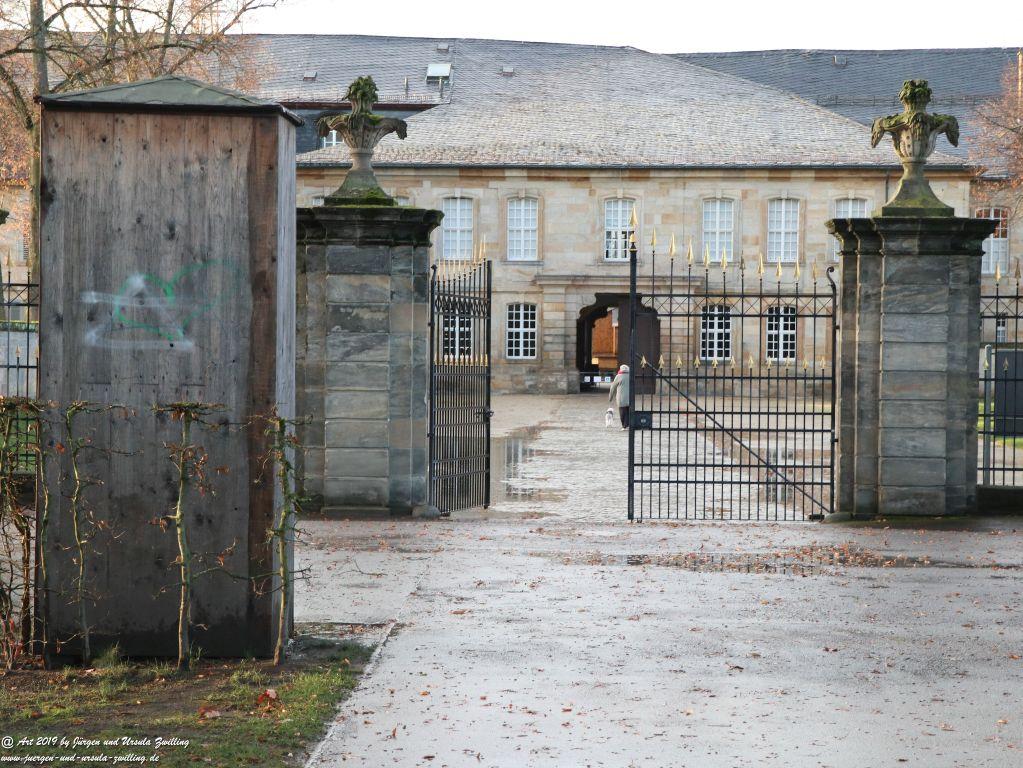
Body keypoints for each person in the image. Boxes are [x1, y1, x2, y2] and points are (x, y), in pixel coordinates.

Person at [608, 364, 630, 430]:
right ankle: (628, 424)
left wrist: (610, 397)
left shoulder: (618, 376)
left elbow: (612, 387)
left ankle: (624, 426)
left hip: (621, 398)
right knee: (628, 411)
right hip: (630, 398)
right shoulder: (631, 376)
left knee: (622, 412)